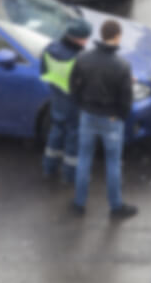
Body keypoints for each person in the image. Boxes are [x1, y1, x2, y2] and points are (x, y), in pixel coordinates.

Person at [68, 19, 137, 219]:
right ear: (117, 37)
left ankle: (79, 204)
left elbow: (73, 85)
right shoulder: (122, 65)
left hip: (88, 116)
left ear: (101, 34)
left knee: (84, 159)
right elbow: (126, 99)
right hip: (111, 120)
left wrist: (82, 105)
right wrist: (120, 116)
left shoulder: (83, 57)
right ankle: (115, 206)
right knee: (113, 163)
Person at [40, 19, 92, 181]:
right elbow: (85, 85)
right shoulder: (80, 59)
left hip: (57, 97)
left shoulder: (50, 50)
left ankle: (49, 167)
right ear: (77, 38)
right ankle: (70, 174)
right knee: (73, 137)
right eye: (85, 37)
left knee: (56, 131)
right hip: (74, 103)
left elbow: (44, 71)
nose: (87, 41)